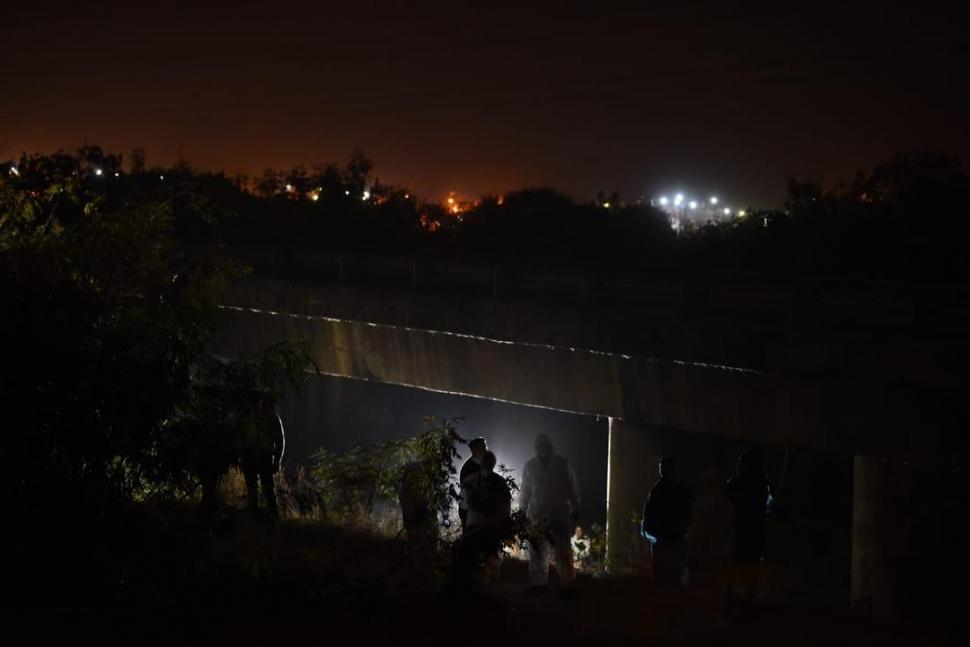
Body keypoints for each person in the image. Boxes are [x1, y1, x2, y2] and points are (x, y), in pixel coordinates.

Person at [520, 433, 581, 590]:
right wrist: (521, 512)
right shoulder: (530, 466)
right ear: (536, 447)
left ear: (550, 445)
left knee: (563, 551)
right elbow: (525, 492)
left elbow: (572, 488)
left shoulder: (562, 464)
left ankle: (568, 584)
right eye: (540, 444)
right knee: (537, 550)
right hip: (536, 515)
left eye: (544, 444)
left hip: (559, 515)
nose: (542, 447)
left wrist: (576, 508)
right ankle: (538, 584)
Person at [723, 449, 772, 600]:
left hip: (738, 535)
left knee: (735, 572)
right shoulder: (762, 485)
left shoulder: (735, 484)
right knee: (750, 574)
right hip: (754, 536)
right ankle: (747, 603)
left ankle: (732, 602)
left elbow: (726, 508)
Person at [688, 467, 733, 627]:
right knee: (717, 593)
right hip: (720, 554)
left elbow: (698, 533)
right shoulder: (727, 506)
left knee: (702, 592)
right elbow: (729, 532)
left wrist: (692, 553)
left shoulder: (700, 505)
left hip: (703, 555)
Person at [641, 455, 692, 589]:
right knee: (676, 581)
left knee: (661, 581)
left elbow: (647, 519)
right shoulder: (682, 490)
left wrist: (651, 536)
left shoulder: (655, 491)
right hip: (677, 542)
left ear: (661, 470)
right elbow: (688, 516)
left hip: (661, 543)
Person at [465, 451, 513, 588]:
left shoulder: (470, 480)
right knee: (490, 559)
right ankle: (489, 587)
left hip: (477, 525)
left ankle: (481, 588)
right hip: (490, 526)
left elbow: (464, 503)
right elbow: (506, 507)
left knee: (478, 559)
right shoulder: (500, 482)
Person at [458, 437, 488, 529]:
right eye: (482, 448)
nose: (485, 450)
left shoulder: (484, 464)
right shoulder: (468, 469)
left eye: (485, 447)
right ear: (474, 450)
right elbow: (468, 495)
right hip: (470, 514)